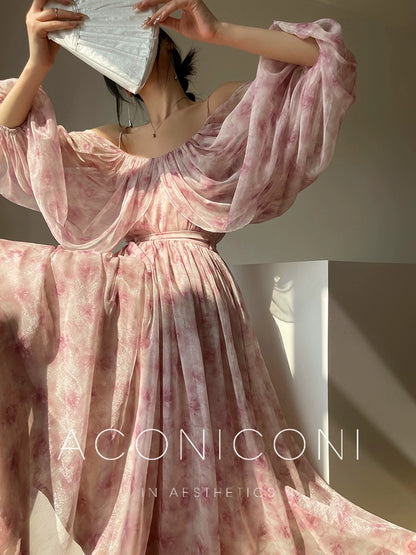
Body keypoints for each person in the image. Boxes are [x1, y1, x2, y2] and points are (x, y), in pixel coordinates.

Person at [0, 0, 415, 554]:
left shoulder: (219, 110)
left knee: (205, 444)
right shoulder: (111, 144)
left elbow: (322, 61)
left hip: (196, 291)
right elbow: (9, 136)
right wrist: (39, 63)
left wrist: (216, 29)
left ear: (168, 41)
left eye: (138, 35)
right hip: (131, 299)